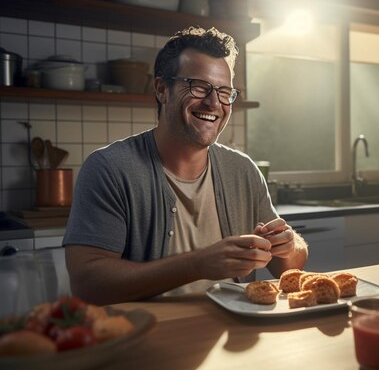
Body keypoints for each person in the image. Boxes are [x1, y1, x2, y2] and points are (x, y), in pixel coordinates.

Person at [63, 26, 308, 305]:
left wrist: (288, 245)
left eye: (224, 91)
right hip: (148, 337)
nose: (214, 103)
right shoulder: (110, 169)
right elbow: (87, 285)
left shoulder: (242, 170)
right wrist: (197, 265)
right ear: (161, 89)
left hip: (235, 338)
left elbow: (289, 268)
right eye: (199, 87)